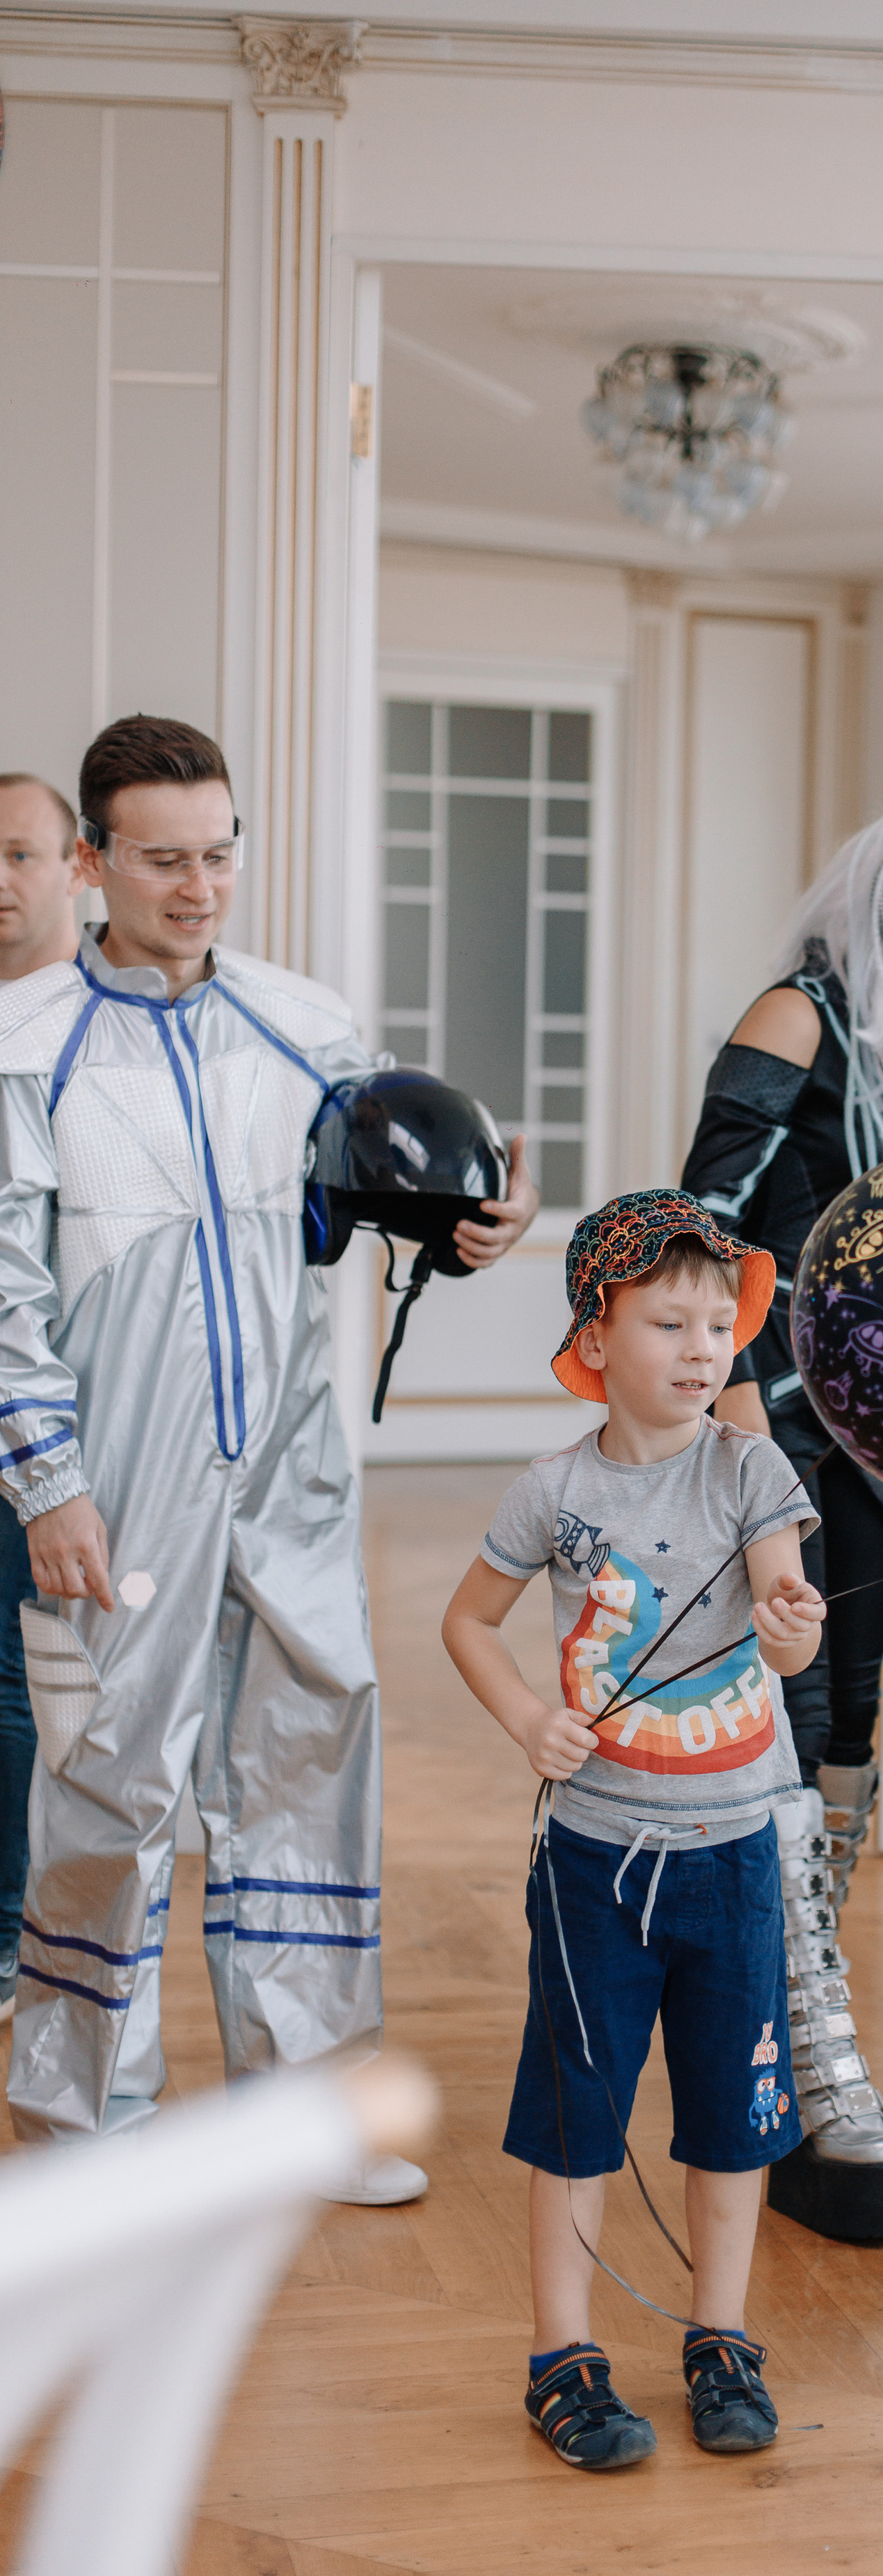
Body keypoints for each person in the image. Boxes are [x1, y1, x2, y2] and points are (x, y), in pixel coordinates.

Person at [1, 716, 538, 2188]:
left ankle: (304, 2118)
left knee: (312, 1752)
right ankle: (85, 2131)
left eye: (220, 854)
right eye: (162, 859)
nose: (199, 887)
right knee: (112, 1778)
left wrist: (480, 1221)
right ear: (94, 861)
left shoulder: (306, 1023)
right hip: (120, 1474)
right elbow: (6, 1290)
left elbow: (383, 1180)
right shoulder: (27, 1044)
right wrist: (49, 1484)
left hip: (290, 1460)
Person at [441, 1191, 824, 2465]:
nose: (703, 1348)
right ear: (596, 1339)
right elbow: (468, 1622)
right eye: (671, 1323)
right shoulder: (552, 1490)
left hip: (734, 1860)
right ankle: (562, 2355)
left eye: (720, 1325)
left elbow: (786, 1608)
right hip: (592, 1864)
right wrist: (525, 1720)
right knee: (577, 2118)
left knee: (735, 2118)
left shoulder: (753, 1469)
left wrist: (791, 1627)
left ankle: (723, 2341)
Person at [679, 801, 883, 2228]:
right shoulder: (796, 1015)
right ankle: (789, 2041)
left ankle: (796, 2016)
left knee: (849, 1718)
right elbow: (705, 1220)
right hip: (775, 1427)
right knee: (784, 1723)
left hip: (875, 1440)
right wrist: (736, 1423)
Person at [0, 774, 84, 2025]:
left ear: (79, 867)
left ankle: (21, 1935)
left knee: (22, 1682)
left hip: (61, 1409)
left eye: (21, 853)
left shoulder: (107, 1026)